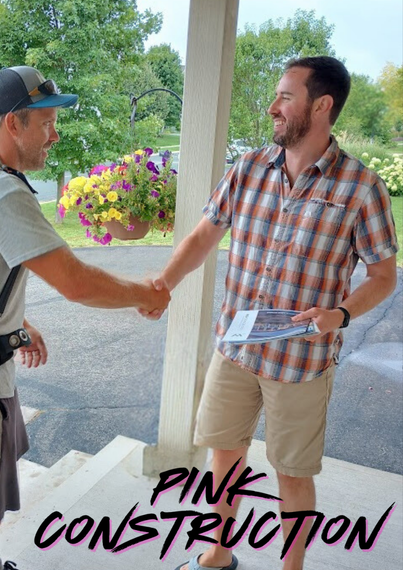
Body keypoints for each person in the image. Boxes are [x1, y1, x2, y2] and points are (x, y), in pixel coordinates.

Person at [144, 56, 398, 570]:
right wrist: (163, 283)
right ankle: (217, 553)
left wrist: (341, 315)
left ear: (321, 105)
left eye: (285, 96)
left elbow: (384, 276)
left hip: (301, 361)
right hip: (236, 348)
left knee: (292, 473)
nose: (272, 107)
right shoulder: (248, 169)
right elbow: (202, 237)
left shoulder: (360, 188)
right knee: (223, 456)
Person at [0, 65, 170, 570]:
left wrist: (15, 326)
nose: (54, 135)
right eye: (47, 122)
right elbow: (76, 282)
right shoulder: (1, 192)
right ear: (14, 123)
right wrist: (143, 292)